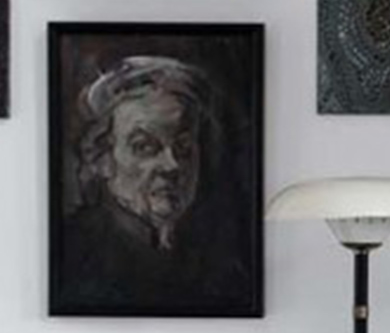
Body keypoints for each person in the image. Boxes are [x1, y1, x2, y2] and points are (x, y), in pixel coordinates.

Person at [56, 55, 254, 314]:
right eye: (145, 147)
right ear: (103, 159)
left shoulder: (221, 260)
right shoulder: (77, 255)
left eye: (183, 148)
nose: (172, 165)